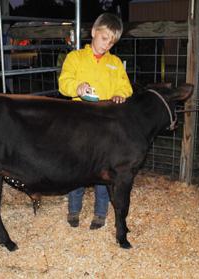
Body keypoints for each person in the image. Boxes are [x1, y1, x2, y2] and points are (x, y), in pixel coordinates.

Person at [58, 13, 133, 230]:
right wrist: (77, 87)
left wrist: (120, 93)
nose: (106, 45)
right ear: (93, 32)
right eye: (103, 38)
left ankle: (100, 213)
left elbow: (126, 87)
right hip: (79, 125)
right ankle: (74, 209)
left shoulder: (115, 63)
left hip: (106, 128)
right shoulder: (75, 58)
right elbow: (64, 83)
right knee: (77, 169)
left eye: (111, 42)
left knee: (104, 172)